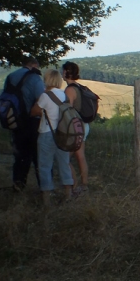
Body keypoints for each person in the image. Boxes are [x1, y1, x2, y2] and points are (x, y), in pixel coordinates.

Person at [31, 69, 74, 204]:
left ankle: (47, 198)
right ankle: (68, 194)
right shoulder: (64, 95)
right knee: (64, 164)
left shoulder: (45, 96)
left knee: (45, 166)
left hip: (46, 133)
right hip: (64, 133)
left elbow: (33, 112)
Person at [4, 57, 44, 192]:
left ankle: (18, 186)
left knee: (21, 157)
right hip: (33, 122)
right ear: (34, 65)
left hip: (15, 121)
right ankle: (44, 189)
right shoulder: (35, 78)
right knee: (39, 157)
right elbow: (41, 101)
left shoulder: (10, 77)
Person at [62, 61, 89, 197]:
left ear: (66, 72)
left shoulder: (69, 89)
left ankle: (74, 186)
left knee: (65, 158)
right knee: (81, 156)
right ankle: (84, 186)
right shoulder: (80, 87)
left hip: (75, 126)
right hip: (84, 125)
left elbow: (68, 110)